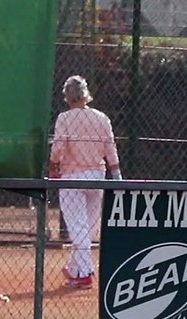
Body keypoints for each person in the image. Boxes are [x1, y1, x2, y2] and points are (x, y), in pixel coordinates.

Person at [48, 75, 120, 289]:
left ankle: (85, 273)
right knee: (87, 228)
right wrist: (116, 175)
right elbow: (110, 147)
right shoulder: (102, 118)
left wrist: (53, 166)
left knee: (78, 227)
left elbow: (59, 146)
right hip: (97, 176)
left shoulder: (65, 118)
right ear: (86, 94)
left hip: (72, 176)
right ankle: (74, 268)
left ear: (67, 97)